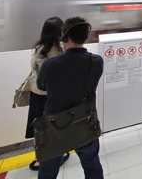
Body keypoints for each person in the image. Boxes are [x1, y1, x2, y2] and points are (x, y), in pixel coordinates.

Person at [36, 17, 104, 179]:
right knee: (92, 166)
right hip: (85, 122)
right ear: (85, 37)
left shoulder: (50, 65)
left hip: (55, 127)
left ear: (64, 38)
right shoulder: (97, 61)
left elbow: (41, 86)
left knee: (48, 171)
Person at [25, 17, 69, 171]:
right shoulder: (59, 51)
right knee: (55, 126)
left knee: (40, 128)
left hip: (37, 94)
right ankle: (55, 155)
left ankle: (39, 158)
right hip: (52, 96)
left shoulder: (39, 48)